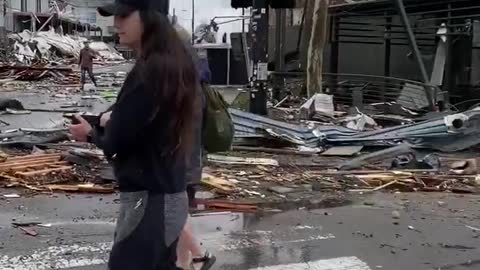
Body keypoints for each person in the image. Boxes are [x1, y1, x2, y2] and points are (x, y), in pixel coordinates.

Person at [69, 0, 200, 269]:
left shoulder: (149, 71)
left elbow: (116, 141)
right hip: (170, 193)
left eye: (125, 15)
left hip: (149, 201)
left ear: (150, 17)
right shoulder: (176, 64)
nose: (116, 23)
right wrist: (111, 120)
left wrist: (91, 133)